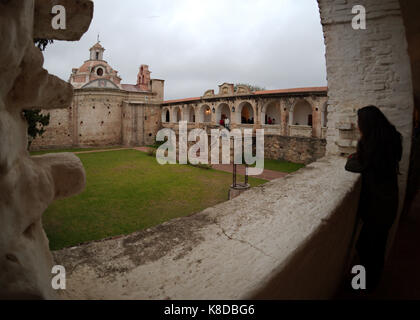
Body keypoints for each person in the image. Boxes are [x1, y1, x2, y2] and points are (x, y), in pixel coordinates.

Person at [345, 105, 402, 291]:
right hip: (389, 200)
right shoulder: (393, 139)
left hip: (377, 205)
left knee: (366, 248)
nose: (357, 125)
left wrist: (352, 158)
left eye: (360, 122)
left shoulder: (372, 146)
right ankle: (370, 283)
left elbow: (354, 165)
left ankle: (363, 286)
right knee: (376, 247)